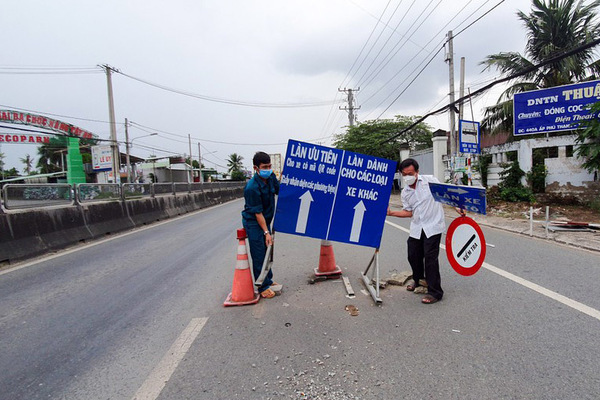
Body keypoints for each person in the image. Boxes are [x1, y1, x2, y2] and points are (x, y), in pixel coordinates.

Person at [387, 158, 464, 304]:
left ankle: (435, 292)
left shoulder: (430, 180)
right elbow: (408, 212)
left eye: (410, 173)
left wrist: (457, 207)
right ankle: (419, 280)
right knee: (413, 255)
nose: (407, 177)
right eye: (404, 174)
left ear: (417, 172)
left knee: (430, 259)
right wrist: (391, 213)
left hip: (433, 226)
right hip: (417, 227)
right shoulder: (406, 192)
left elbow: (445, 195)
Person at [242, 151, 280, 299]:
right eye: (264, 166)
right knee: (259, 252)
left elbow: (279, 191)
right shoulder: (251, 187)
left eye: (269, 166)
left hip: (266, 219)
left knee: (268, 250)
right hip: (254, 223)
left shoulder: (270, 177)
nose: (268, 169)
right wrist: (266, 232)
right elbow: (257, 213)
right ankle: (262, 286)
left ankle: (268, 280)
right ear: (256, 168)